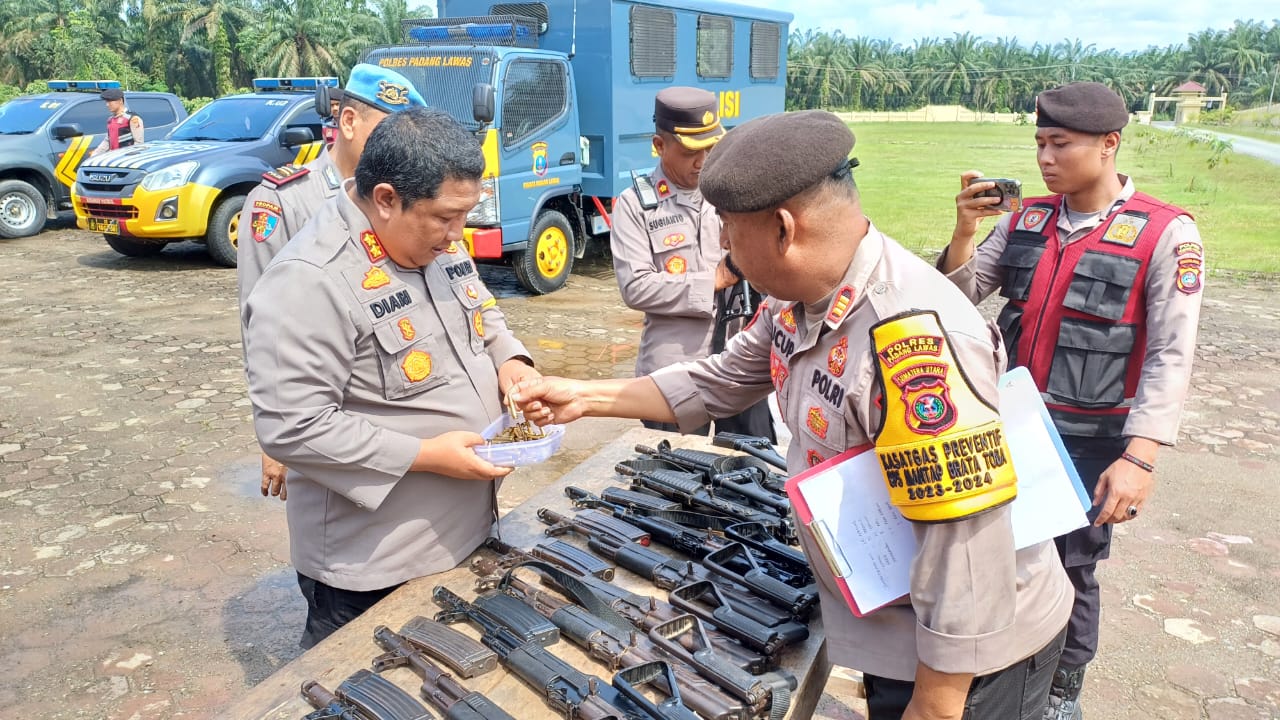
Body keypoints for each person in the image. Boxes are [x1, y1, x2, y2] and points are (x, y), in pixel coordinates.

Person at [511, 110, 1073, 720]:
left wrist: (937, 703)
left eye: (728, 229)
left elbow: (964, 540)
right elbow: (722, 379)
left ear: (783, 229)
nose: (722, 246)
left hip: (971, 656)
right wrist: (585, 397)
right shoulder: (798, 300)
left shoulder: (914, 340)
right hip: (895, 614)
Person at [940, 81, 1205, 720]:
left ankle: (1062, 690)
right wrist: (965, 232)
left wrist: (1139, 458)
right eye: (1039, 143)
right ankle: (999, 672)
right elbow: (956, 298)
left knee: (1071, 565)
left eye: (1060, 144)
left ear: (1109, 144)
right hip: (1011, 425)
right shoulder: (1026, 219)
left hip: (1090, 440)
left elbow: (1172, 352)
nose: (1045, 158)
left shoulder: (1165, 233)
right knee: (992, 552)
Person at [242, 107, 539, 649]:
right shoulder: (310, 280)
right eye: (446, 217)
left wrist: (512, 363)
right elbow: (292, 427)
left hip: (465, 531)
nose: (458, 234)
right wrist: (426, 455)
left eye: (466, 215)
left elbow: (483, 313)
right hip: (376, 562)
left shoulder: (436, 240)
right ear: (385, 198)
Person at [238, 65, 425, 502]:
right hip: (321, 403)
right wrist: (272, 429)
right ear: (348, 121)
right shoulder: (285, 201)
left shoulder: (402, 198)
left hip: (391, 398)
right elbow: (258, 324)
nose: (399, 147)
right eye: (386, 131)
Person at [610, 86, 773, 440]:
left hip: (739, 363)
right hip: (674, 370)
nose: (702, 162)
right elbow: (636, 287)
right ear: (659, 145)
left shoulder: (730, 193)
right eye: (690, 152)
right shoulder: (635, 205)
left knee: (753, 461)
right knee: (676, 468)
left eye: (711, 148)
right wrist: (712, 279)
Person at [90, 87, 143, 156]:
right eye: (106, 102)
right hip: (114, 157)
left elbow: (139, 144)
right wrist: (94, 154)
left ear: (120, 100)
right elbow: (107, 141)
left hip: (125, 158)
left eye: (110, 101)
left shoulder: (133, 119)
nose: (107, 104)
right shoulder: (111, 120)